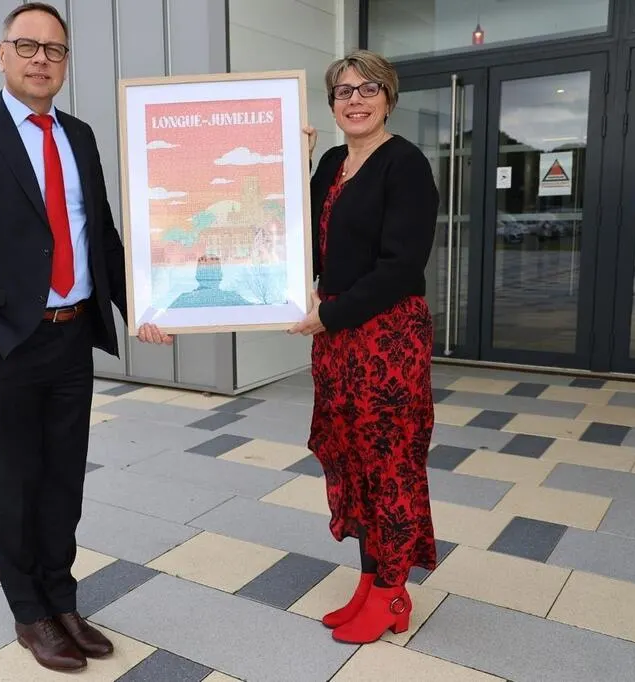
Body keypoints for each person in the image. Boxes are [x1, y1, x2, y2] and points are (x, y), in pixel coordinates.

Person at [0, 2, 162, 672]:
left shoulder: (79, 135)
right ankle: (29, 611)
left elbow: (100, 235)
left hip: (72, 335)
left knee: (63, 478)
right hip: (10, 340)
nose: (40, 59)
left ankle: (62, 599)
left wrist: (143, 305)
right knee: (16, 478)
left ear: (65, 62)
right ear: (2, 54)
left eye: (54, 49)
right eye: (27, 46)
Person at [287, 49, 440, 645]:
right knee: (353, 459)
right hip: (337, 341)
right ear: (332, 104)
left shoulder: (405, 164)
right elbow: (301, 236)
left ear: (388, 97)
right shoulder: (331, 162)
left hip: (386, 338)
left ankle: (392, 591)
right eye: (343, 91)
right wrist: (295, 164)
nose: (355, 100)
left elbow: (401, 267)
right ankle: (370, 582)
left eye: (368, 88)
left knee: (389, 463)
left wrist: (329, 313)